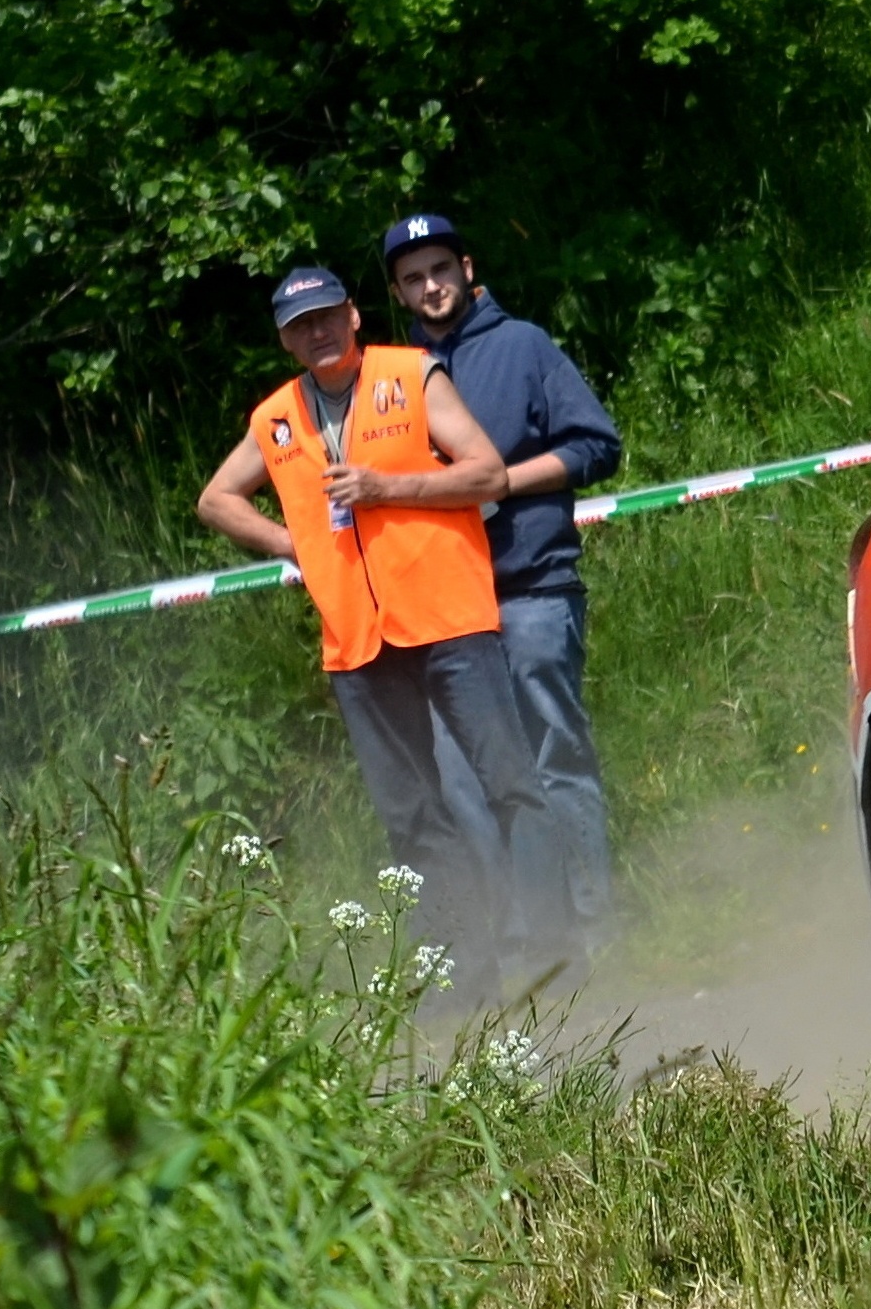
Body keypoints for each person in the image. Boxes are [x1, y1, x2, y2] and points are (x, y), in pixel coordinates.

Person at [193, 266, 558, 999]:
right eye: (300, 325)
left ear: (354, 316)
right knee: (412, 817)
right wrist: (291, 544)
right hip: (357, 643)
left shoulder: (412, 374)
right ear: (285, 339)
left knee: (511, 786)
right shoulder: (276, 417)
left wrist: (389, 487)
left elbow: (487, 473)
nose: (318, 332)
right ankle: (460, 984)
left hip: (450, 619)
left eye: (327, 316)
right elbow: (215, 498)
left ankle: (559, 959)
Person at [383, 212, 622, 956]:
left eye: (440, 269)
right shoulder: (393, 380)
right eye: (413, 278)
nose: (431, 286)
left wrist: (496, 483)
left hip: (533, 587)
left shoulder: (524, 346)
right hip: (446, 611)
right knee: (469, 782)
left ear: (467, 268)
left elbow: (597, 445)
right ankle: (524, 944)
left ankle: (594, 929)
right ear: (398, 293)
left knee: (554, 757)